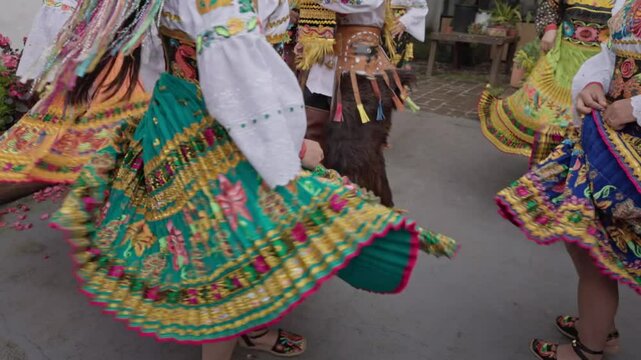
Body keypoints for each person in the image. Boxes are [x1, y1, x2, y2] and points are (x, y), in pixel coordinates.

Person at [43, 1, 457, 359]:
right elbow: (237, 79)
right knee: (229, 246)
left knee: (214, 240)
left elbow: (162, 57)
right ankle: (237, 335)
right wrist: (294, 148)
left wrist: (167, 111)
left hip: (176, 114)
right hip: (219, 131)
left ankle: (253, 328)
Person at [495, 1, 640, 358]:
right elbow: (611, 52)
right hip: (609, 135)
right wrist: (593, 83)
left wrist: (636, 108)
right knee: (585, 237)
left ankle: (588, 349)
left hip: (631, 138)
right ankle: (599, 325)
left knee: (596, 244)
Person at [297, 0, 419, 207]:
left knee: (355, 159)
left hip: (359, 72)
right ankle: (316, 213)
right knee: (312, 144)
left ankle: (363, 223)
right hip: (321, 64)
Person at [478, 0, 613, 167]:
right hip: (565, 57)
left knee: (590, 120)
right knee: (547, 114)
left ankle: (578, 172)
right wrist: (550, 29)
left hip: (604, 61)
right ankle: (547, 172)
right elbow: (550, 5)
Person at [384, 0, 428, 69]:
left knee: (396, 65)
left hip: (398, 24)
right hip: (374, 25)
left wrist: (405, 21)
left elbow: (420, 7)